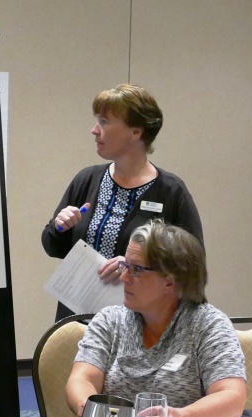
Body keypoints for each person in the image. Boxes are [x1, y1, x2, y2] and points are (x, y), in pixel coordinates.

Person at [66, 219, 246, 417]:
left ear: (170, 282)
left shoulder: (207, 324)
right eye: (125, 266)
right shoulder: (109, 320)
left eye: (136, 270)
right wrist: (87, 406)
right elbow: (82, 379)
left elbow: (232, 396)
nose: (123, 277)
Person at [41, 84, 203, 321]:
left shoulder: (171, 192)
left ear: (135, 132)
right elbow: (52, 246)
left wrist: (135, 266)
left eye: (104, 122)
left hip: (138, 326)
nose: (94, 130)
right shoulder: (87, 179)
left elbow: (191, 269)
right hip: (78, 320)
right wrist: (59, 227)